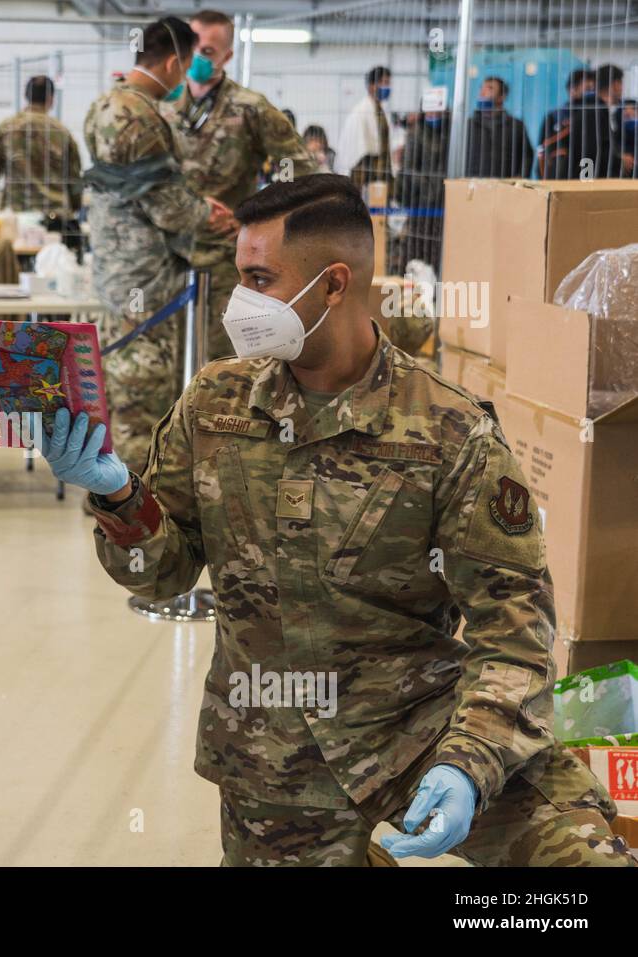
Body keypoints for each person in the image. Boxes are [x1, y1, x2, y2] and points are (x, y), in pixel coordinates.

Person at [38, 174, 634, 867]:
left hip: (421, 736)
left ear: (332, 285)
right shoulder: (215, 407)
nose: (241, 302)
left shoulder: (447, 430)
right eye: (239, 276)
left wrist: (469, 762)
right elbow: (163, 572)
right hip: (276, 766)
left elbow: (517, 636)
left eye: (260, 278)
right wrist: (116, 496)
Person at [82, 15, 224, 469]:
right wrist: (213, 217)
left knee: (118, 387)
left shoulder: (103, 105)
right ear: (171, 62)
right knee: (143, 394)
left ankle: (109, 492)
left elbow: (138, 189)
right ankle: (132, 505)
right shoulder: (142, 115)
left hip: (113, 272)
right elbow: (167, 208)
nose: (184, 78)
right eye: (184, 69)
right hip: (147, 279)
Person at [160, 8, 318, 360]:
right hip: (167, 256)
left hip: (224, 257)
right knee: (164, 363)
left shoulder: (250, 108)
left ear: (227, 57)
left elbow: (299, 168)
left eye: (209, 51)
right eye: (193, 46)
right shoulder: (163, 105)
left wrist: (257, 219)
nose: (198, 57)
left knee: (221, 363)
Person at [0, 75, 83, 216]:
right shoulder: (62, 132)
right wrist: (75, 206)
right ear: (51, 99)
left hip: (15, 215)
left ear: (26, 96)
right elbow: (74, 178)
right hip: (55, 216)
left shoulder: (6, 128)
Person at [394, 108, 449, 272]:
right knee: (416, 244)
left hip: (442, 202)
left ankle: (433, 283)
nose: (434, 116)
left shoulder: (450, 134)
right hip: (420, 200)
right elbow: (409, 169)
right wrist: (428, 189)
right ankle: (408, 280)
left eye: (438, 112)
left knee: (436, 245)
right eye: (430, 112)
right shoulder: (416, 133)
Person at [538, 68, 615, 180]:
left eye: (593, 89)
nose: (591, 93)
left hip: (593, 173)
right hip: (563, 176)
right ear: (572, 89)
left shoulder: (598, 112)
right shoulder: (556, 116)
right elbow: (542, 149)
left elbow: (604, 144)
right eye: (587, 88)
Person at [335, 65, 393, 189]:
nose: (388, 87)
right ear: (372, 86)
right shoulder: (360, 111)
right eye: (384, 83)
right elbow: (356, 149)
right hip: (363, 168)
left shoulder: (381, 110)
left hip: (379, 169)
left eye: (389, 83)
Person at [464, 76, 533, 178]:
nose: (483, 92)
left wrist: (520, 179)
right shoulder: (468, 125)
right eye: (482, 88)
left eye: (490, 88)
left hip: (505, 187)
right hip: (472, 186)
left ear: (502, 97)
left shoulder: (516, 125)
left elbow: (527, 156)